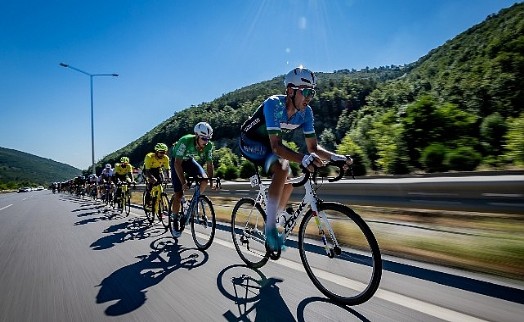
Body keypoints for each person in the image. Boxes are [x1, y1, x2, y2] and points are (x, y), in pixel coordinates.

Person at [239, 67, 353, 251]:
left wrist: (336, 158)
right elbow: (276, 147)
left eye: (312, 93)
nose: (309, 97)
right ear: (290, 91)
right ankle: (269, 230)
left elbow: (313, 148)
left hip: (269, 144)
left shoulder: (306, 113)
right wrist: (303, 159)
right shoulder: (274, 105)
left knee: (291, 179)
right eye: (306, 92)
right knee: (283, 168)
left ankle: (279, 214)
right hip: (250, 141)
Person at [170, 122, 215, 235]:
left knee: (204, 180)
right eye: (204, 138)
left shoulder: (208, 146)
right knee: (179, 194)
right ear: (196, 136)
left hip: (189, 161)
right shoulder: (185, 141)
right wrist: (183, 182)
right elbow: (177, 164)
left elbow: (209, 164)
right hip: (177, 161)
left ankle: (193, 202)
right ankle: (174, 219)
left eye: (208, 139)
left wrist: (211, 180)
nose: (206, 142)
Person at [143, 143, 171, 208]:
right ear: (156, 151)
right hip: (148, 170)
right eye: (161, 152)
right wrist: (152, 178)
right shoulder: (149, 156)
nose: (162, 154)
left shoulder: (165, 158)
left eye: (164, 152)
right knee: (150, 185)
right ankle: (147, 203)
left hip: (158, 170)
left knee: (160, 183)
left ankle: (159, 200)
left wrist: (169, 177)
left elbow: (167, 169)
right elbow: (147, 171)